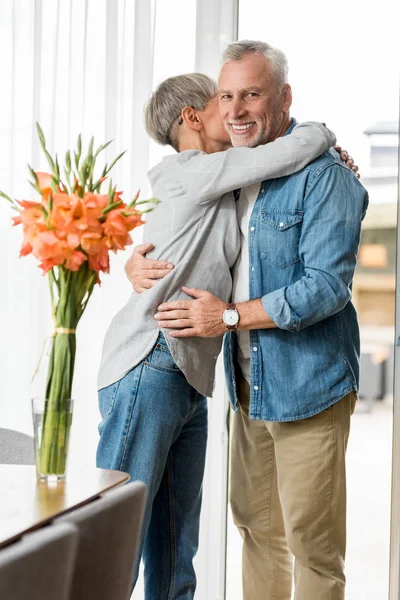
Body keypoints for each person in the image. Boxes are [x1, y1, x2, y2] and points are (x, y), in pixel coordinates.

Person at [131, 41, 368, 600]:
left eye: (252, 95)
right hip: (248, 386)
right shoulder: (233, 173)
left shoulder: (324, 177)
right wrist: (136, 259)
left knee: (312, 546)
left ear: (284, 98)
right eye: (227, 96)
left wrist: (230, 316)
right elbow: (186, 235)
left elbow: (325, 288)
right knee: (256, 531)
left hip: (309, 382)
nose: (236, 110)